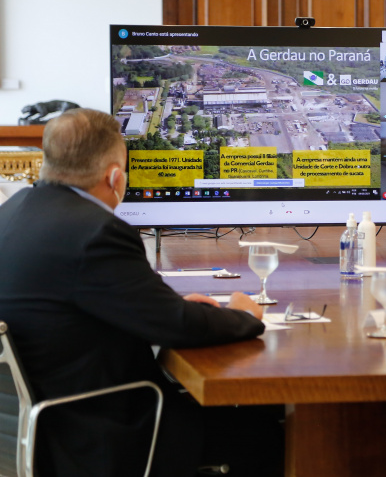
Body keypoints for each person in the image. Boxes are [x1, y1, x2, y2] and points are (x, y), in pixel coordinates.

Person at [0, 109, 268, 477]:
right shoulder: (95, 232)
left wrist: (162, 308)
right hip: (104, 432)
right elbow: (178, 327)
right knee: (267, 423)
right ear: (114, 177)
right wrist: (241, 314)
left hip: (34, 432)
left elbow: (82, 304)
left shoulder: (12, 212)